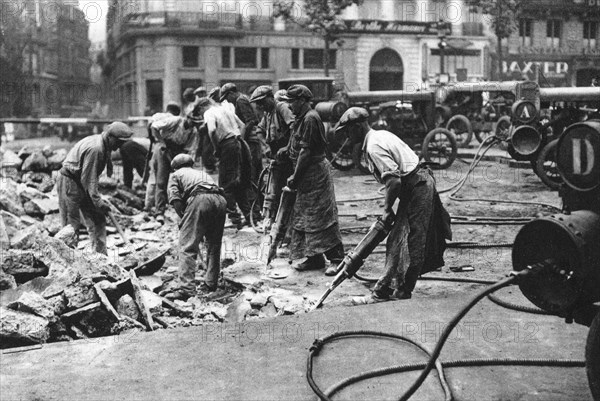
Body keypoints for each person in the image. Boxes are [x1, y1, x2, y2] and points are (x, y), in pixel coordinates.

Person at [336, 107, 452, 302]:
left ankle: (398, 290)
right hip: (415, 184)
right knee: (397, 238)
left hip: (418, 185)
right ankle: (389, 289)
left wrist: (387, 209)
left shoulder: (373, 146)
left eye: (348, 130)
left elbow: (394, 181)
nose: (347, 136)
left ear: (357, 127)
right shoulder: (378, 136)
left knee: (412, 240)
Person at [280, 85, 344, 274]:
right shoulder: (302, 118)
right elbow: (297, 144)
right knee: (304, 217)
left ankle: (337, 259)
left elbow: (306, 152)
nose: (289, 106)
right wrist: (286, 150)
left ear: (301, 101)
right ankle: (314, 258)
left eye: (291, 102)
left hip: (315, 174)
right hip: (306, 176)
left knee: (322, 217)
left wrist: (295, 176)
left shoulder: (310, 118)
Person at [57, 121, 133, 254]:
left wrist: (98, 203)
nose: (120, 146)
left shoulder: (104, 144)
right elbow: (89, 179)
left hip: (81, 181)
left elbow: (89, 179)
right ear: (110, 137)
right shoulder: (96, 149)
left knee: (98, 217)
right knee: (71, 224)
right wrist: (98, 201)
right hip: (70, 181)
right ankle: (67, 260)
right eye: (119, 142)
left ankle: (100, 257)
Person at [159, 154, 227, 300]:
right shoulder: (202, 173)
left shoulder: (175, 174)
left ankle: (186, 289)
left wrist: (183, 219)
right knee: (214, 245)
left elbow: (176, 200)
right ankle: (211, 283)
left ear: (175, 167)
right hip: (220, 201)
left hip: (200, 199)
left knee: (187, 246)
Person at [194, 97, 253, 228]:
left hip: (227, 145)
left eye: (199, 112)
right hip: (239, 143)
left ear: (202, 107)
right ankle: (249, 217)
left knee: (226, 184)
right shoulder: (226, 110)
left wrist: (217, 148)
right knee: (239, 182)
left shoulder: (209, 113)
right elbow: (242, 125)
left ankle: (234, 218)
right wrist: (238, 140)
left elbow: (212, 130)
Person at [250, 85, 295, 225]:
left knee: (291, 189)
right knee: (274, 190)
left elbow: (295, 127)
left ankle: (291, 222)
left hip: (290, 156)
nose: (260, 106)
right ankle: (277, 220)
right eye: (258, 103)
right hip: (277, 157)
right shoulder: (267, 114)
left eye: (262, 102)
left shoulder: (282, 108)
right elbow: (259, 130)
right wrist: (265, 146)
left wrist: (287, 147)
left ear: (270, 98)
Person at [220, 83, 263, 216]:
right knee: (251, 177)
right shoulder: (242, 99)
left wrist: (241, 139)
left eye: (227, 97)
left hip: (250, 141)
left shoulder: (240, 100)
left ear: (232, 93)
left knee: (250, 177)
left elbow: (250, 121)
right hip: (250, 141)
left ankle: (256, 212)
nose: (228, 101)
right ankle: (256, 211)